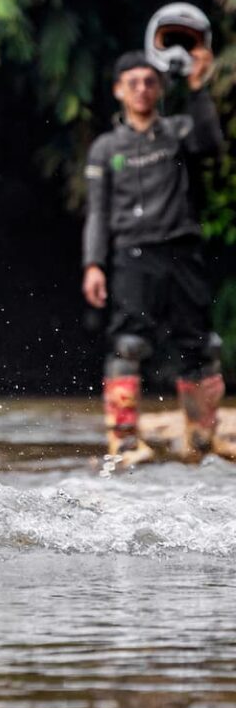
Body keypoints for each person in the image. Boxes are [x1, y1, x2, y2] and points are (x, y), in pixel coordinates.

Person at [82, 45, 229, 463]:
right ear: (118, 90)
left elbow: (211, 145)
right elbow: (97, 213)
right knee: (128, 345)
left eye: (150, 82)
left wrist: (198, 87)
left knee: (200, 344)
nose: (143, 89)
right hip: (132, 255)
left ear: (161, 87)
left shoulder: (179, 131)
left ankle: (203, 437)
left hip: (183, 252)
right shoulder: (106, 148)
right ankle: (124, 440)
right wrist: (93, 264)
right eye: (134, 83)